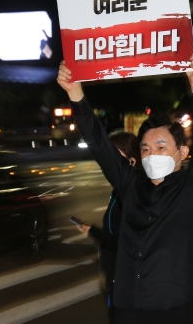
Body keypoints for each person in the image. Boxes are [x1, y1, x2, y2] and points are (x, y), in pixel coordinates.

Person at [57, 46, 193, 324]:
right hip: (127, 306)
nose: (152, 154)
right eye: (145, 148)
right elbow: (99, 145)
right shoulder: (130, 184)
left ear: (183, 152)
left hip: (172, 309)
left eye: (161, 147)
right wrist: (75, 94)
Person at [77, 130, 140, 308]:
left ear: (132, 160)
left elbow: (124, 241)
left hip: (126, 275)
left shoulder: (134, 192)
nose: (108, 161)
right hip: (117, 273)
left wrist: (94, 233)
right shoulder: (120, 190)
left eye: (114, 156)